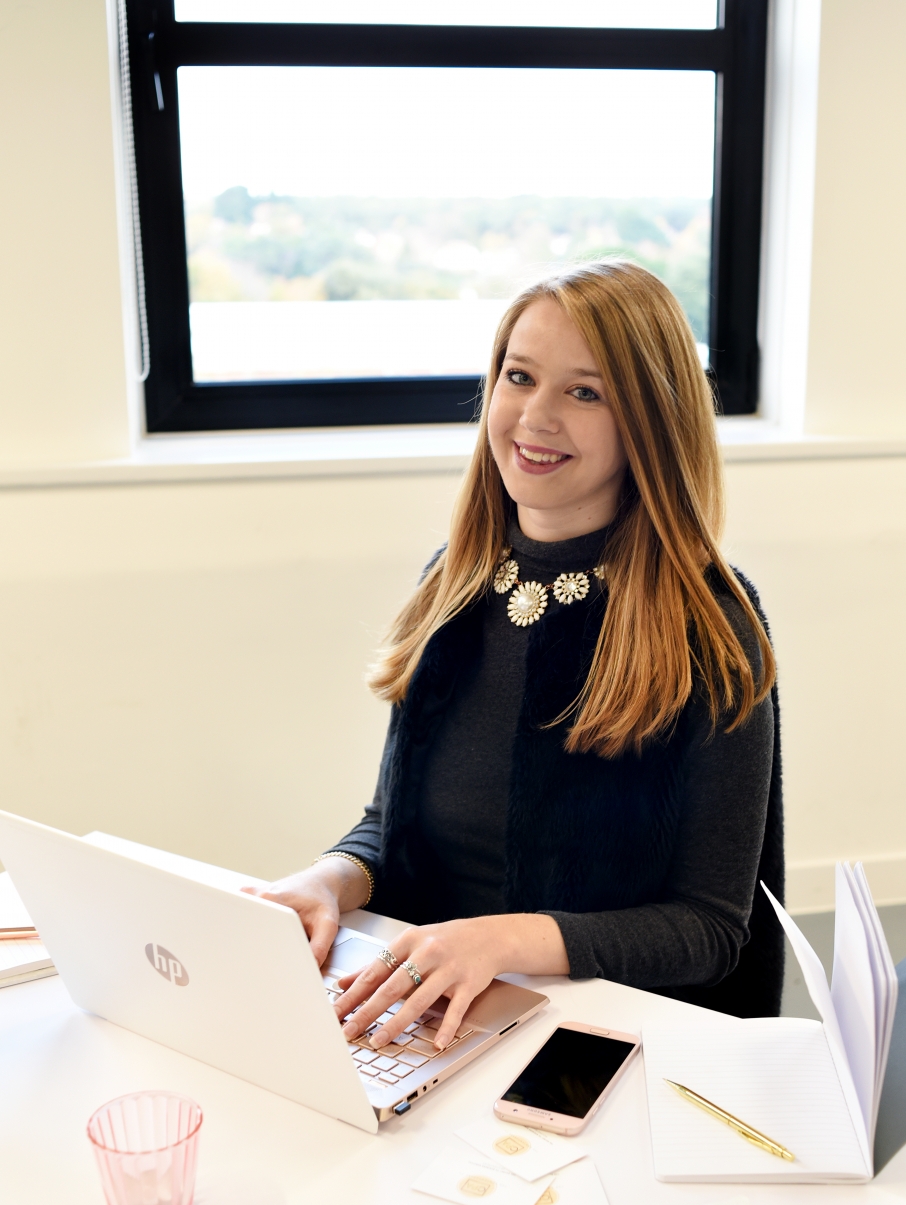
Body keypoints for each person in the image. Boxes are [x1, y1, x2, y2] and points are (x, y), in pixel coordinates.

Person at [245, 260, 784, 1056]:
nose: (535, 416)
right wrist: (329, 879)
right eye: (519, 377)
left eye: (585, 392)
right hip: (431, 1011)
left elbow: (708, 929)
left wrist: (503, 940)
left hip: (604, 1034)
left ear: (651, 420)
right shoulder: (455, 579)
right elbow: (397, 827)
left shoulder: (709, 622)